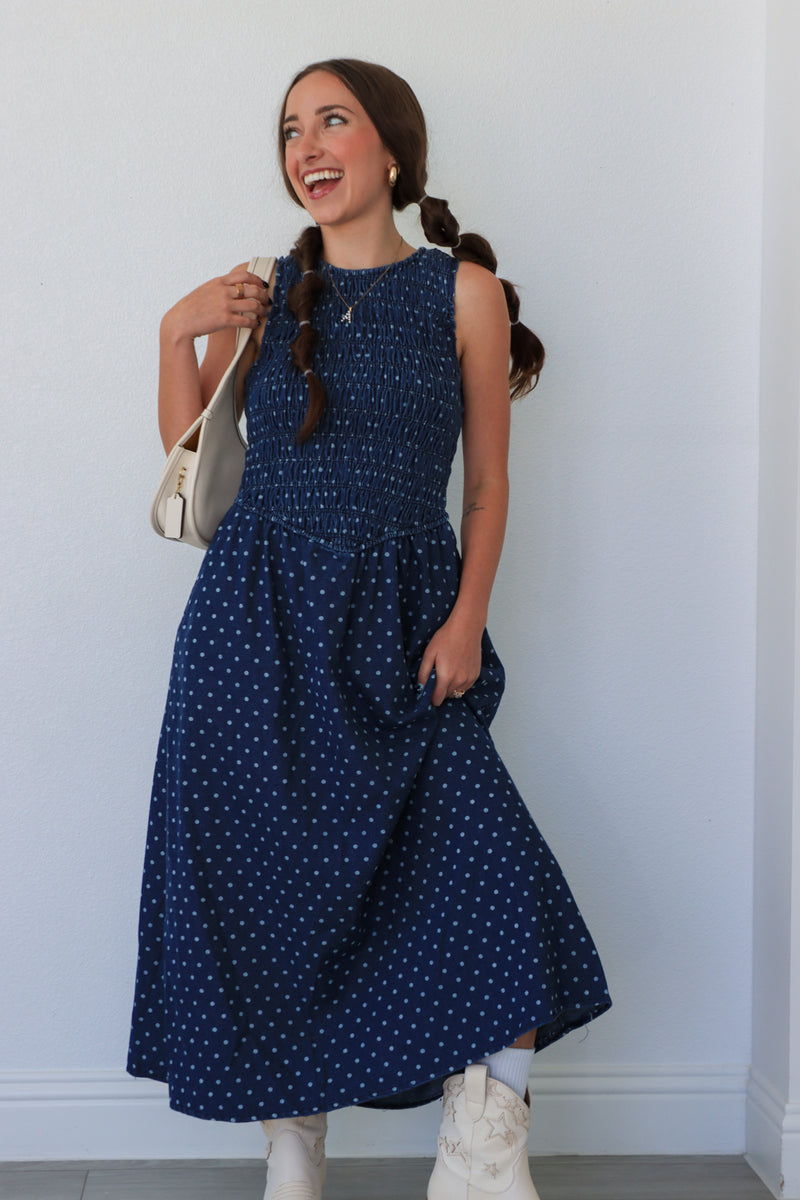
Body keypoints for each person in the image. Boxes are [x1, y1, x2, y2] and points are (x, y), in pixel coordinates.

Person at [127, 58, 611, 1200]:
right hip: (253, 632)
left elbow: (486, 486)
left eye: (330, 119)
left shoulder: (462, 292)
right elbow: (200, 489)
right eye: (290, 129)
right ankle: (291, 1162)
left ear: (391, 147)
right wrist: (176, 334)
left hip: (404, 631)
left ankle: (480, 1158)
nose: (305, 146)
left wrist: (465, 619)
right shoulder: (261, 289)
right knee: (265, 900)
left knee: (493, 875)